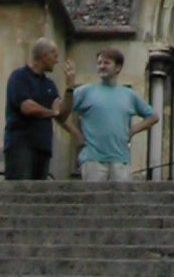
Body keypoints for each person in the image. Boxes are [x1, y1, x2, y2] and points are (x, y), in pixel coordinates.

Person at [68, 47, 159, 183]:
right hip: (93, 160)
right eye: (99, 63)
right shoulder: (85, 92)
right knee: (94, 196)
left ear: (118, 68)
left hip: (120, 160)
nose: (102, 66)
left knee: (122, 196)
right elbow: (60, 113)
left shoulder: (129, 95)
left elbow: (153, 117)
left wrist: (133, 130)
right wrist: (75, 133)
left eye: (106, 63)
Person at [4, 37, 75, 180]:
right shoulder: (19, 77)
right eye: (54, 56)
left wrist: (70, 88)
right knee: (21, 188)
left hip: (43, 147)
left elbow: (61, 114)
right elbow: (27, 107)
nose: (56, 61)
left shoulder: (49, 84)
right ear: (44, 56)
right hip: (21, 145)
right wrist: (51, 112)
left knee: (40, 190)